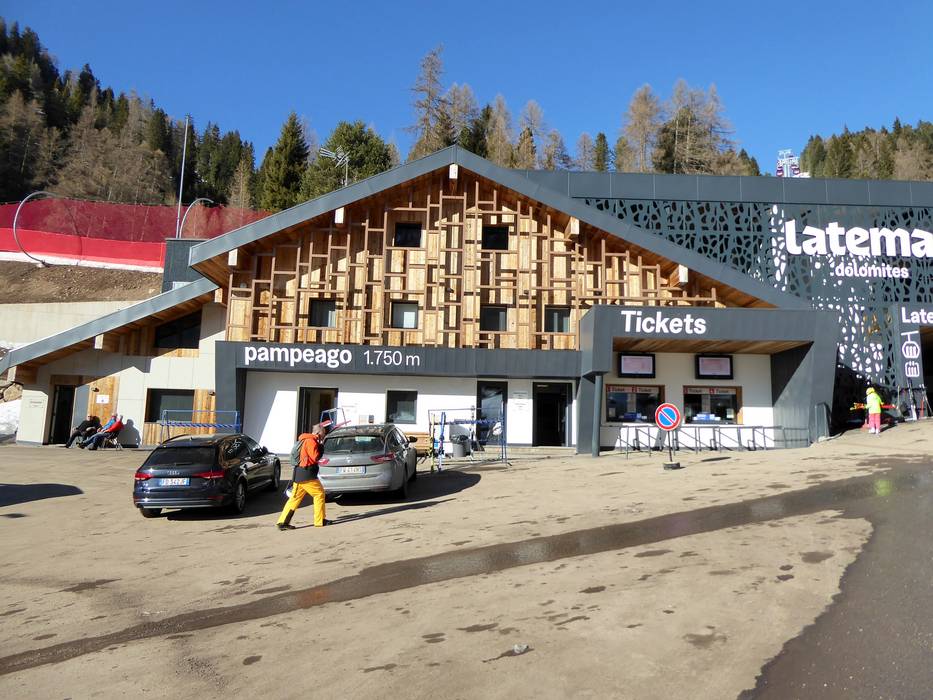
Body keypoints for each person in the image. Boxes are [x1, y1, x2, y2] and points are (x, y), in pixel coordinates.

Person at [276, 423, 332, 531]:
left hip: (299, 474)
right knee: (319, 494)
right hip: (307, 475)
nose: (324, 435)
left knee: (294, 498)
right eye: (323, 433)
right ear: (318, 433)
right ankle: (320, 520)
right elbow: (315, 457)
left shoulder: (304, 439)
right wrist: (321, 447)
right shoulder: (311, 441)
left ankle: (282, 522)